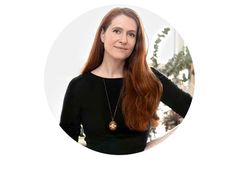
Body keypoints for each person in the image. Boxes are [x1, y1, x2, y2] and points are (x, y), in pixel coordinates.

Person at [60, 7, 192, 155]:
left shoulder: (149, 78)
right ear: (102, 35)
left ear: (136, 41)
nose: (123, 40)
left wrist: (154, 146)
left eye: (131, 34)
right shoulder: (78, 86)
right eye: (117, 31)